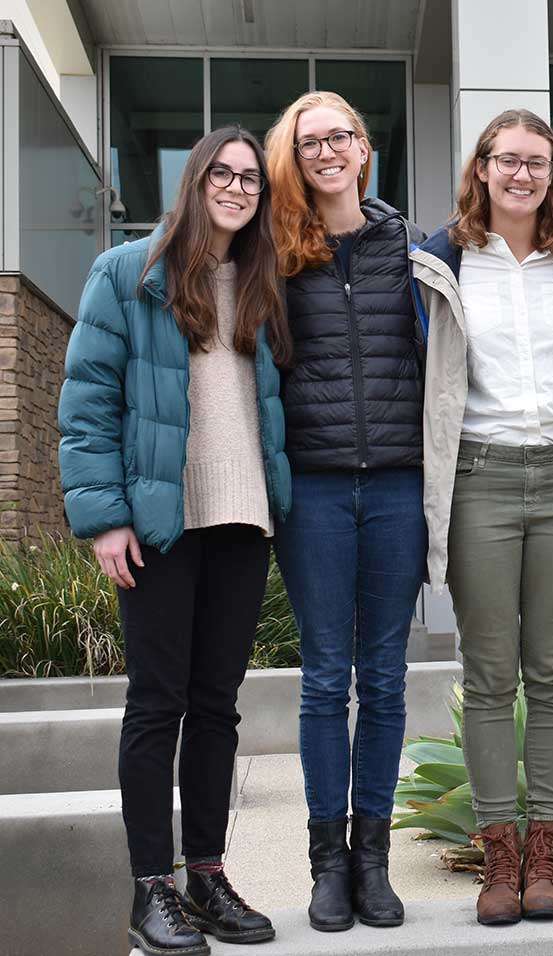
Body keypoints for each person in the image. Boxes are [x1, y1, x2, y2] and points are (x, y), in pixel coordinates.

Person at [58, 125, 292, 954]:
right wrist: (104, 517)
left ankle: (207, 873)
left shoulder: (261, 280)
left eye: (250, 180)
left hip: (241, 520)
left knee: (218, 707)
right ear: (195, 183)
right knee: (157, 705)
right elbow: (87, 403)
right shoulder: (130, 272)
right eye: (222, 174)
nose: (236, 188)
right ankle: (149, 888)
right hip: (161, 522)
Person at [411, 108, 553, 925]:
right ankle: (498, 865)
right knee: (490, 675)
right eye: (507, 160)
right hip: (481, 479)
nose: (521, 174)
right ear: (482, 168)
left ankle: (546, 858)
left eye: (536, 162)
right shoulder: (445, 261)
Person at [264, 90, 426, 933]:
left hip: (398, 484)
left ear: (364, 149)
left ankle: (373, 861)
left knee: (388, 680)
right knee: (327, 680)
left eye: (339, 136)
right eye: (309, 140)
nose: (326, 151)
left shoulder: (411, 247)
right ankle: (327, 865)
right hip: (316, 488)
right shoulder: (274, 251)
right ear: (293, 155)